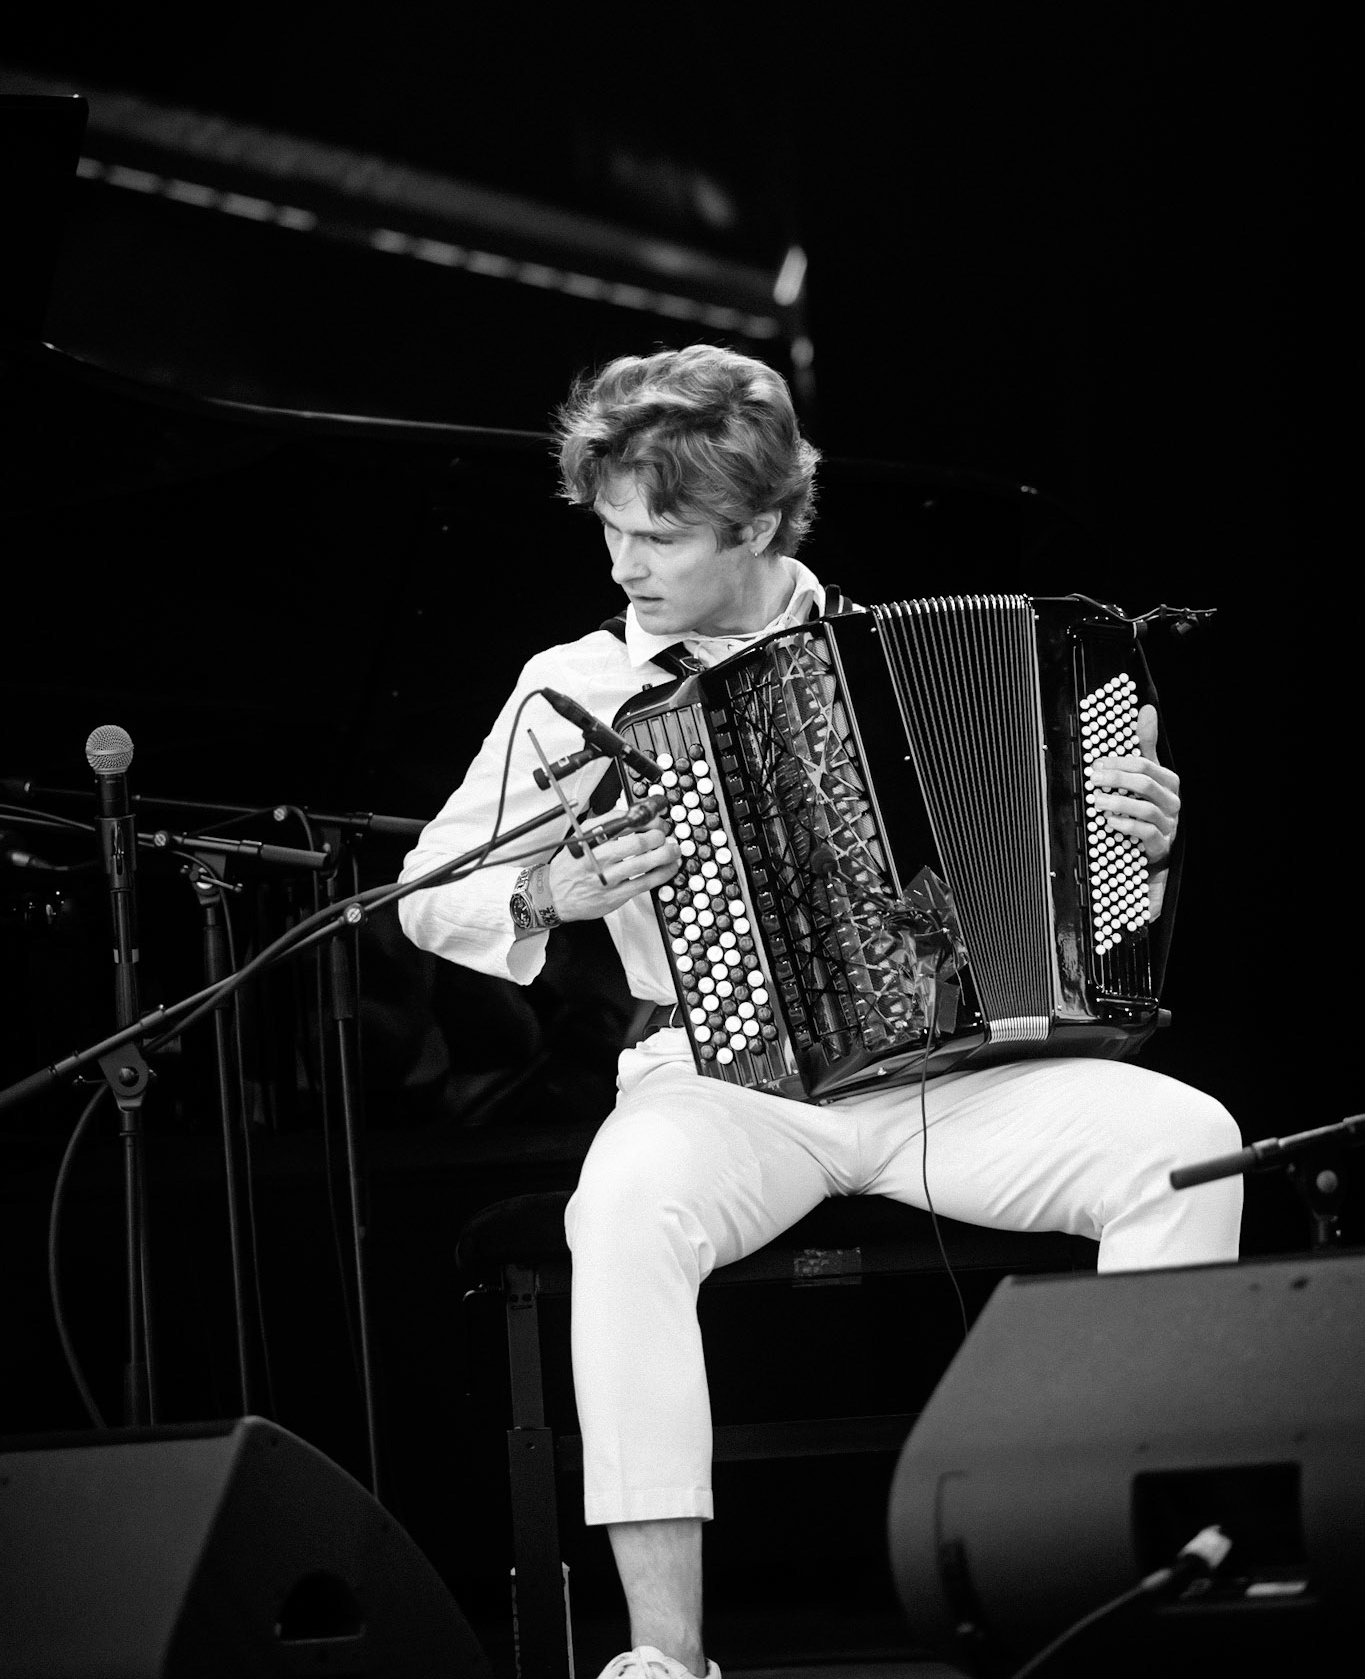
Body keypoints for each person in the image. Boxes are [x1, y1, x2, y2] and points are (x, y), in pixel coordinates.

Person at [397, 343, 1241, 1679]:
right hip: (717, 1081)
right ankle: (663, 1656)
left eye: (659, 537)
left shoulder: (889, 653)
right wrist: (549, 893)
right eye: (611, 531)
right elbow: (425, 896)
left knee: (1187, 1144)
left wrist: (1137, 828)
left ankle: (1133, 1574)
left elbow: (1084, 865)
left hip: (942, 1076)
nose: (623, 568)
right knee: (618, 1208)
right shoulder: (576, 689)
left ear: (759, 525)